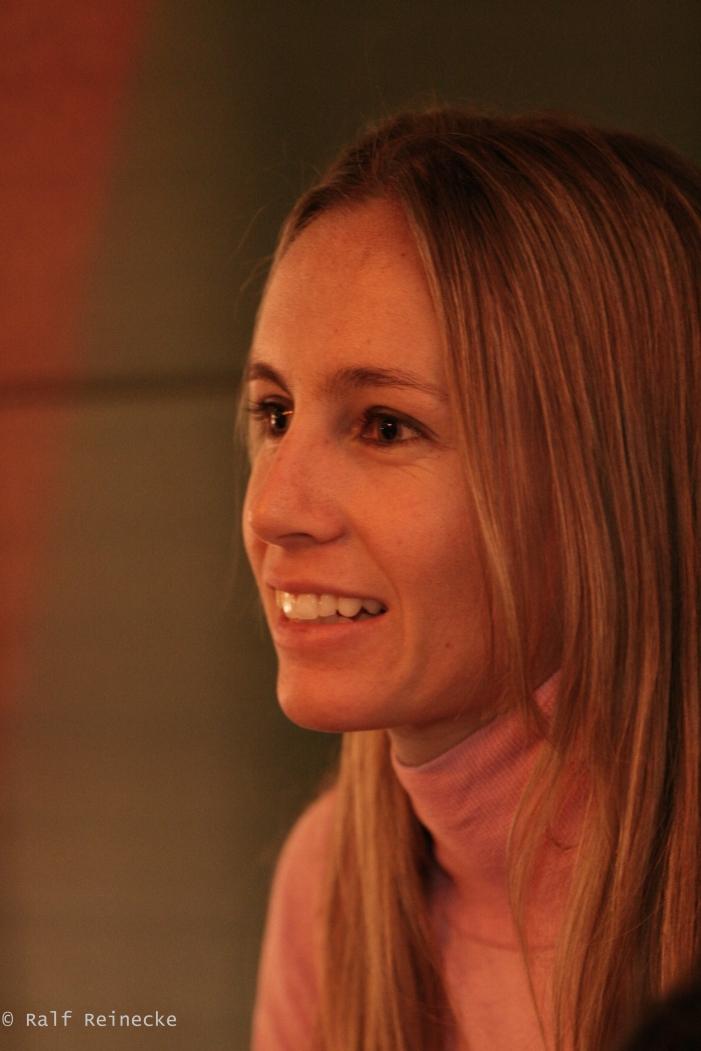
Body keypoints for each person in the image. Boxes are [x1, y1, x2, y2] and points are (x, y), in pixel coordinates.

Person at [240, 106, 701, 1051]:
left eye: (385, 426)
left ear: (608, 479)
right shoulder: (331, 883)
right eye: (275, 413)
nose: (273, 507)